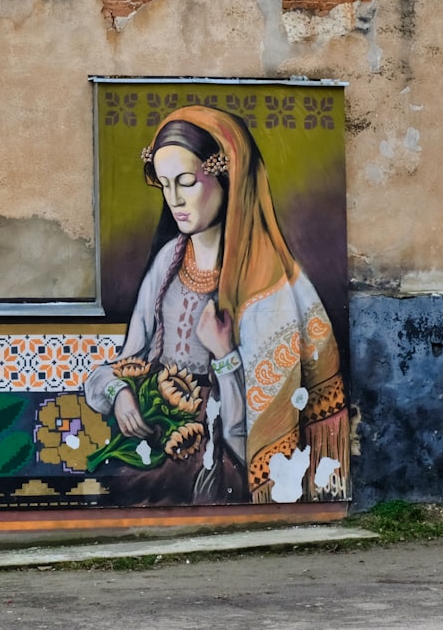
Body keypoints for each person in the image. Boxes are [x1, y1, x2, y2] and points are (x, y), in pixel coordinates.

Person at [85, 105, 348, 505]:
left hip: (224, 460)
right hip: (160, 445)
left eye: (187, 182)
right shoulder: (167, 262)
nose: (174, 199)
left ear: (229, 177)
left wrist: (224, 355)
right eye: (164, 184)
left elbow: (264, 423)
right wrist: (120, 390)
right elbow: (129, 359)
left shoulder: (268, 283)